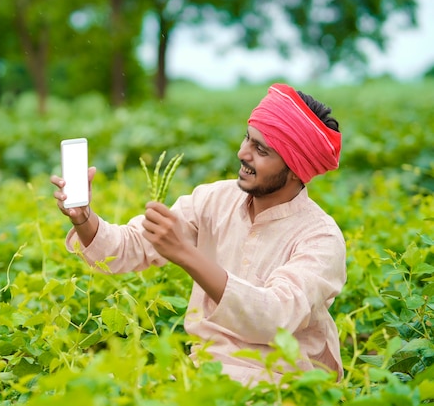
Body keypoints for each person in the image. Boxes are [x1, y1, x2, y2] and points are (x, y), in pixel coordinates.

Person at [50, 83, 346, 385]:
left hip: (285, 383)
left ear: (296, 169)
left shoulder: (321, 238)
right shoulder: (214, 200)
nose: (243, 153)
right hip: (206, 371)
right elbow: (128, 248)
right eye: (248, 138)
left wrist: (184, 254)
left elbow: (274, 318)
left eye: (261, 150)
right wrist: (84, 218)